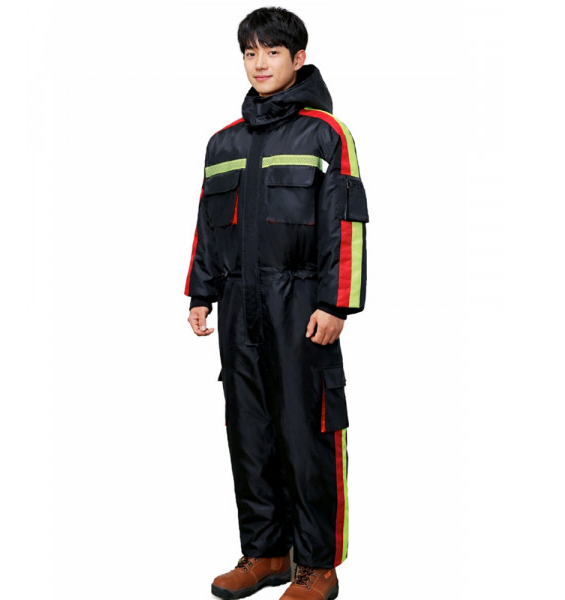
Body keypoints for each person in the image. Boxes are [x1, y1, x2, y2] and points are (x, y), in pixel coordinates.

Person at [184, 7, 368, 600]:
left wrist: (336, 304)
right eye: (250, 53)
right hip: (240, 307)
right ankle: (266, 551)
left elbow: (346, 223)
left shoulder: (326, 134)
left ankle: (317, 565)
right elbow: (207, 226)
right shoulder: (223, 142)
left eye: (272, 52)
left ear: (298, 58)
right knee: (249, 431)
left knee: (307, 431)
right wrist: (202, 292)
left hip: (302, 305)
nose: (259, 63)